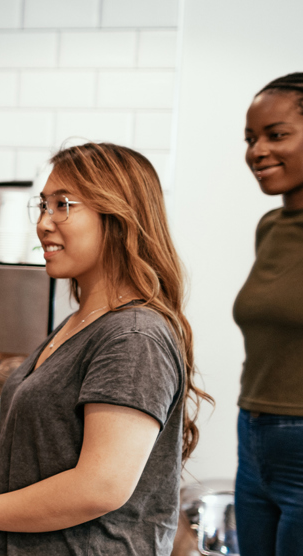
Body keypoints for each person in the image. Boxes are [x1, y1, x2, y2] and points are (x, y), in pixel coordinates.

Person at [0, 143, 212, 555]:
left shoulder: (133, 336)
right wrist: (1, 473)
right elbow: (66, 456)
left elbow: (100, 486)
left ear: (119, 215)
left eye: (63, 204)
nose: (43, 223)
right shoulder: (78, 325)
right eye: (43, 205)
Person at [235, 72, 303, 554]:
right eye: (251, 139)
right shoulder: (271, 227)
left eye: (277, 135)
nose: (258, 151)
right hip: (253, 431)